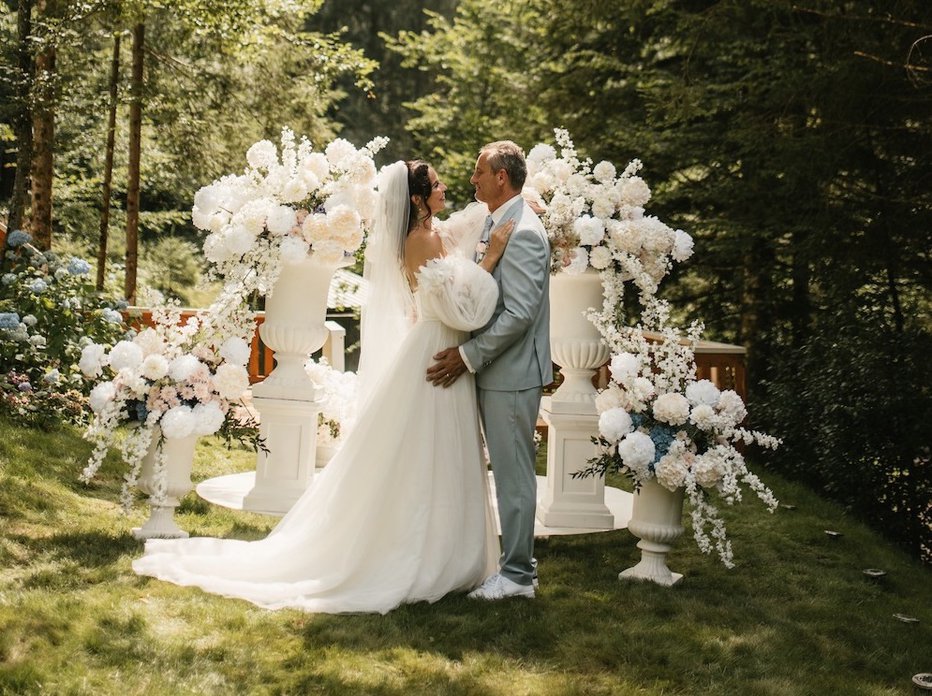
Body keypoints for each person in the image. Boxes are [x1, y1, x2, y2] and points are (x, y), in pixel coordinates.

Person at [132, 160, 514, 614]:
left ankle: (439, 548)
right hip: (438, 349)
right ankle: (431, 555)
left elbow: (459, 231)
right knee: (430, 453)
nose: (445, 186)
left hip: (427, 345)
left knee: (424, 453)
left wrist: (508, 206)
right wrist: (490, 258)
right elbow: (462, 311)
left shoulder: (420, 236)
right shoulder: (424, 240)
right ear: (416, 198)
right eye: (435, 184)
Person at [427, 141, 551, 601]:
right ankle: (518, 569)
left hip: (513, 374)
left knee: (513, 475)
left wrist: (467, 356)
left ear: (502, 177)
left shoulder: (523, 233)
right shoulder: (500, 221)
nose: (472, 179)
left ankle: (518, 576)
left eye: (479, 172)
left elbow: (519, 313)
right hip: (499, 372)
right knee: (506, 471)